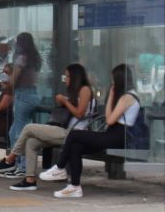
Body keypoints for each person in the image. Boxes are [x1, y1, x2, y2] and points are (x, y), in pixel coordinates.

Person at [40, 63, 141, 198]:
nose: (111, 83)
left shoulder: (127, 97)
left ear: (119, 80)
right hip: (112, 134)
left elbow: (110, 119)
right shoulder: (126, 96)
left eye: (113, 80)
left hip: (118, 136)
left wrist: (111, 97)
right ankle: (74, 187)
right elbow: (110, 116)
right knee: (76, 146)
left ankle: (60, 167)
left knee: (75, 134)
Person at [0, 63, 94, 190]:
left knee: (29, 128)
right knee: (31, 142)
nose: (65, 80)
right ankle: (29, 179)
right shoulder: (75, 92)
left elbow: (79, 114)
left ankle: (10, 159)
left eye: (67, 77)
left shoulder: (85, 89)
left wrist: (65, 101)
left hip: (75, 133)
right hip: (66, 131)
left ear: (75, 77)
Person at [8, 32, 42, 175]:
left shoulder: (21, 57)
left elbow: (14, 78)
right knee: (13, 132)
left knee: (19, 134)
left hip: (22, 95)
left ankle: (22, 167)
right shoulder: (36, 58)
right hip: (33, 94)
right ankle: (16, 163)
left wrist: (9, 83)